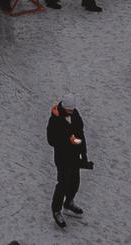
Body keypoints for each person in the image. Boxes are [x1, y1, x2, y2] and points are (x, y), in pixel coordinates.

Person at [47, 94, 92, 228]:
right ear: (64, 108)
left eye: (73, 110)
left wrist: (83, 154)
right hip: (62, 158)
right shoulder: (54, 120)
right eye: (69, 110)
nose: (71, 112)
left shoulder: (75, 116)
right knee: (62, 184)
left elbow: (80, 136)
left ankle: (68, 203)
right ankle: (56, 210)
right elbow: (51, 140)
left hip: (74, 157)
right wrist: (68, 138)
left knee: (74, 183)